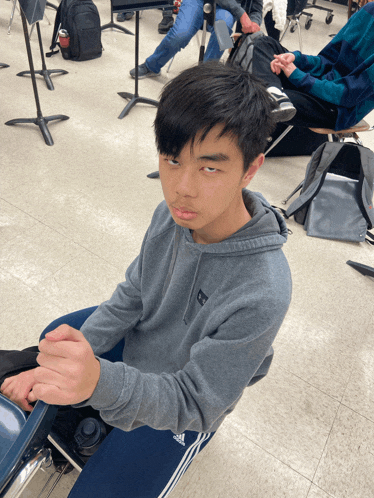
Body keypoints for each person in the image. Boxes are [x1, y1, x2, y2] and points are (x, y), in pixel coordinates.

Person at [1, 62, 292, 497]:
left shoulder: (264, 290)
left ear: (251, 169)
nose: (182, 189)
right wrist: (55, 369)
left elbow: (196, 401)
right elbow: (134, 295)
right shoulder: (170, 215)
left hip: (188, 397)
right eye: (172, 161)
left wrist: (98, 382)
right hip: (146, 347)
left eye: (210, 168)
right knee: (54, 338)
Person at [251, 2, 374, 130]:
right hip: (318, 82)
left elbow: (347, 96)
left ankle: (272, 96)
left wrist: (298, 76)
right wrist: (296, 58)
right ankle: (274, 92)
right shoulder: (368, 10)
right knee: (263, 43)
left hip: (338, 109)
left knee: (261, 102)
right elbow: (326, 60)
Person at [129, 0, 263, 78]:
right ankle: (152, 65)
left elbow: (256, 8)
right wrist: (241, 14)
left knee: (224, 29)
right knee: (181, 35)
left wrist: (254, 23)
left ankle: (204, 77)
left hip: (226, 11)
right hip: (197, 1)